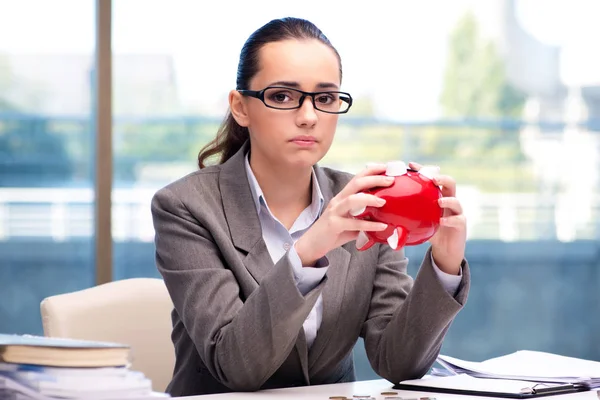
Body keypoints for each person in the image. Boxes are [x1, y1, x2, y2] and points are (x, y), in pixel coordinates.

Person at [151, 17, 470, 397]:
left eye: (325, 98)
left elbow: (398, 362)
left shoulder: (367, 202)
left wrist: (445, 265)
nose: (308, 116)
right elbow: (234, 366)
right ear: (240, 107)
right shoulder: (185, 207)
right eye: (282, 96)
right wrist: (309, 250)